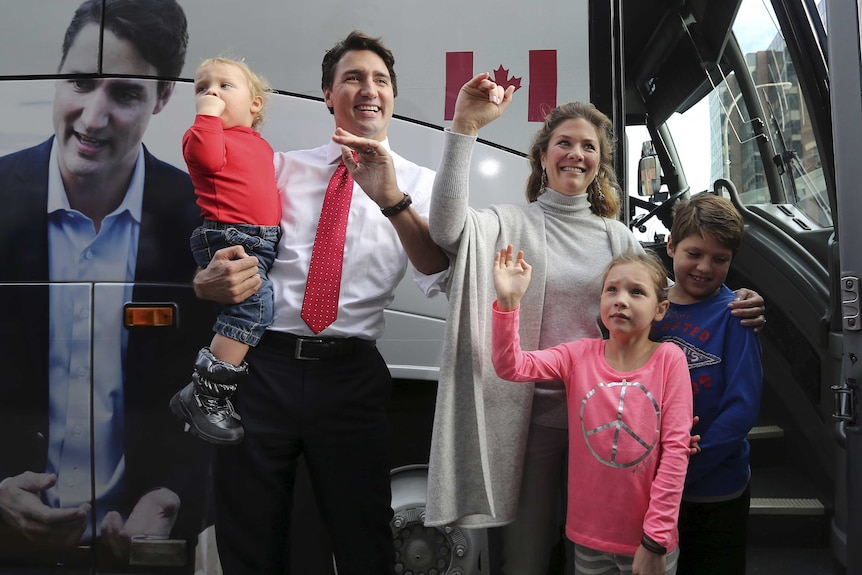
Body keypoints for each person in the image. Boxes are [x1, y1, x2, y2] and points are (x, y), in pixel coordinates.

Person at [423, 72, 766, 574]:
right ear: (543, 156)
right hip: (532, 424)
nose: (575, 154)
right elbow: (446, 227)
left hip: (614, 423)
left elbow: (663, 307)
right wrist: (465, 128)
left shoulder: (618, 237)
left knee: (600, 553)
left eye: (588, 147)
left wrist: (736, 302)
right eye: (564, 143)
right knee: (527, 557)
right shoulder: (507, 223)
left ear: (599, 163)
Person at [192, 30, 449, 574]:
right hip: (263, 370)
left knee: (365, 542)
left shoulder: (420, 184)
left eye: (380, 79)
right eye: (352, 78)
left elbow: (434, 266)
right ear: (328, 95)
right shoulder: (279, 168)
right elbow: (229, 247)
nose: (368, 89)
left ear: (393, 97)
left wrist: (391, 199)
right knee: (249, 536)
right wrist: (206, 283)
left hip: (350, 377)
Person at [0, 0, 212, 567]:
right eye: (80, 82)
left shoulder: (199, 224)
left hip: (141, 550)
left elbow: (224, 393)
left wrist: (173, 496)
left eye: (123, 94)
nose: (92, 118)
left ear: (163, 97)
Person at [492, 247, 692, 575]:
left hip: (647, 543)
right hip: (588, 538)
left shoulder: (670, 360)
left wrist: (655, 540)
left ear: (661, 309)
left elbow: (675, 454)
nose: (620, 299)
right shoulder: (579, 354)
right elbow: (511, 367)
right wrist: (509, 303)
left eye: (636, 292)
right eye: (611, 289)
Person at [169, 57, 281, 446]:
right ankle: (205, 394)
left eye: (223, 86)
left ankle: (206, 392)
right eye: (202, 87)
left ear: (255, 104)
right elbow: (206, 158)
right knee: (254, 308)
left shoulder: (257, 144)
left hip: (257, 237)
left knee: (255, 306)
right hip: (230, 236)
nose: (210, 92)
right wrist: (207, 117)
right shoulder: (202, 135)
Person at [651, 193, 763, 574]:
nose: (704, 267)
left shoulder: (737, 317)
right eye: (694, 253)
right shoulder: (649, 310)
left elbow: (741, 409)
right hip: (651, 486)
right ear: (670, 245)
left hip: (717, 489)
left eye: (720, 259)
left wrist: (679, 471)